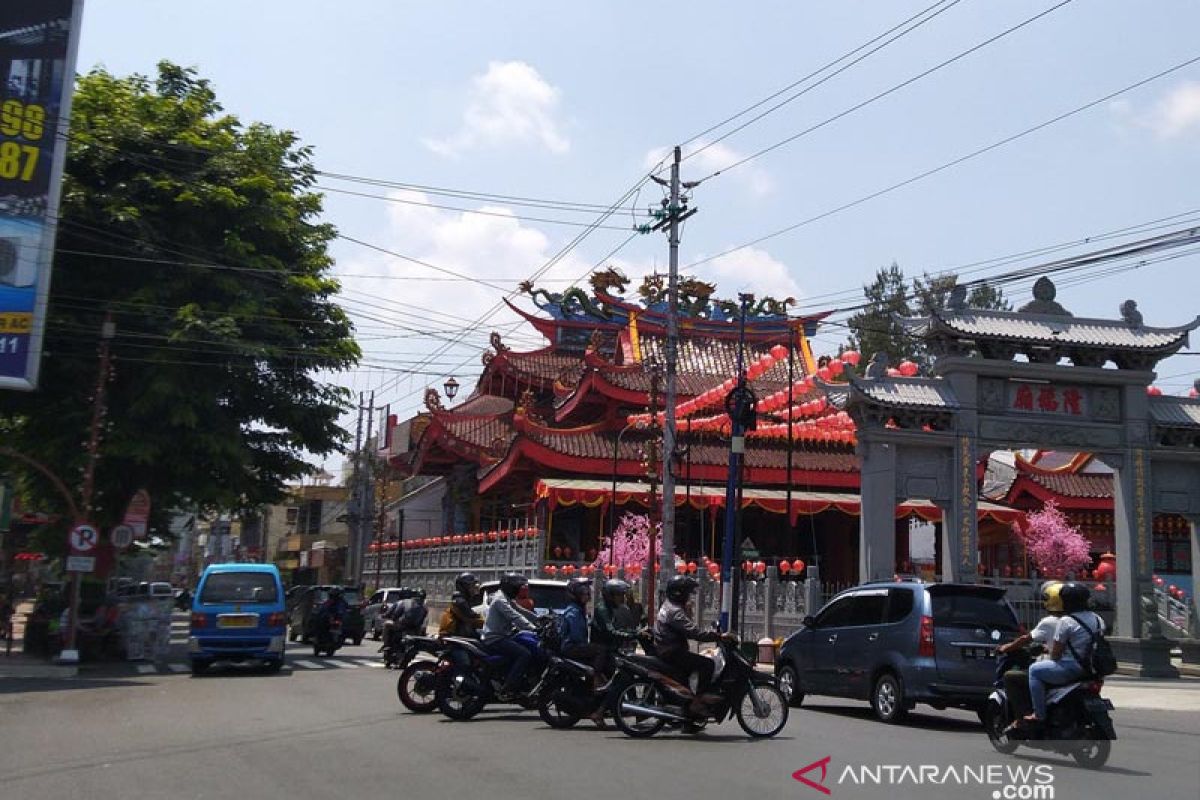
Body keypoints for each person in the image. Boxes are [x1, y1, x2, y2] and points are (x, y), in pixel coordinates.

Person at [1024, 582, 1105, 728]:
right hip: (1094, 669)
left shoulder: (1066, 622)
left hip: (1071, 669)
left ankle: (1038, 714)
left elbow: (1055, 655)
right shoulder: (1098, 619)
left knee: (1034, 670)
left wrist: (1048, 650)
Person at [996, 582, 1062, 719]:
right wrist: (1046, 648)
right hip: (1083, 668)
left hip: (1062, 668)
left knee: (1013, 676)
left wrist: (1006, 647)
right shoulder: (1089, 619)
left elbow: (1027, 638)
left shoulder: (1050, 622)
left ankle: (1028, 716)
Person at [653, 575, 725, 698]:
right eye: (687, 593)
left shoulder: (668, 605)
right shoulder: (675, 612)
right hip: (672, 652)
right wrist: (719, 636)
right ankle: (700, 700)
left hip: (666, 649)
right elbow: (694, 632)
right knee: (707, 664)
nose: (689, 597)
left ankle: (686, 697)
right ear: (679, 593)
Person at [482, 572, 539, 701]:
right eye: (516, 587)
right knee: (524, 654)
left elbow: (520, 610)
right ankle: (508, 687)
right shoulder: (500, 600)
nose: (518, 590)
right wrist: (534, 628)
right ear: (509, 587)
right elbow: (515, 616)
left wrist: (540, 619)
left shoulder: (505, 598)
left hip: (504, 636)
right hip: (495, 638)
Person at [438, 572, 484, 638]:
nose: (473, 589)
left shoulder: (460, 599)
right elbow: (472, 617)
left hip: (460, 634)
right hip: (458, 636)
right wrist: (488, 623)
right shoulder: (460, 602)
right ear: (464, 587)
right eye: (471, 586)